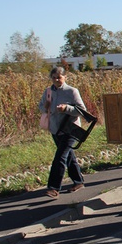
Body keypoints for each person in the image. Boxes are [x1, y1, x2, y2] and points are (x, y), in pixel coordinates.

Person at [40, 66, 87, 198]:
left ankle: (54, 188)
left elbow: (82, 110)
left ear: (65, 77)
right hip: (55, 128)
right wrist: (45, 107)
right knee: (69, 156)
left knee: (60, 157)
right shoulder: (48, 91)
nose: (56, 80)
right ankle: (78, 181)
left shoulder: (72, 91)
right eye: (54, 77)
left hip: (70, 128)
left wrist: (66, 108)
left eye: (59, 77)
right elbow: (41, 106)